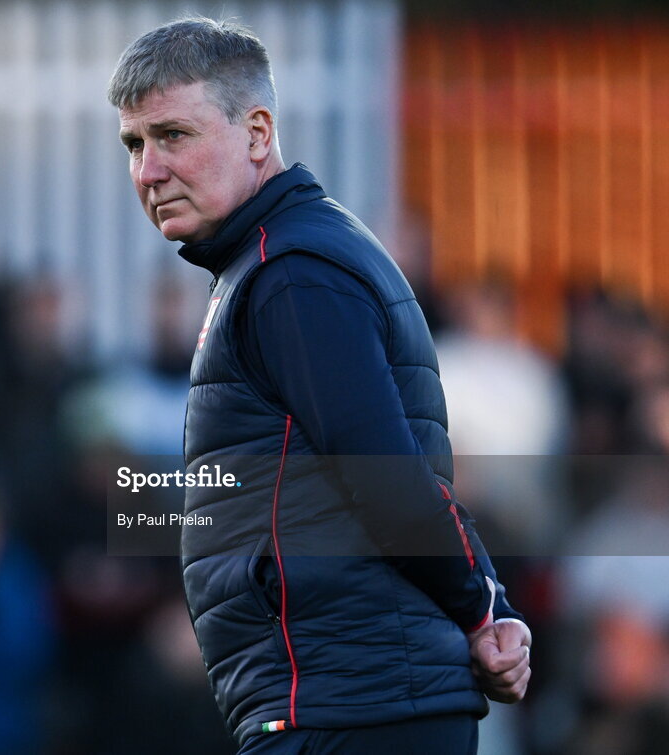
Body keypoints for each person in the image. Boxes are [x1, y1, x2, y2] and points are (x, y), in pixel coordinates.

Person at [108, 17, 531, 753]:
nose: (148, 170)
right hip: (346, 701)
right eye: (134, 144)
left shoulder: (290, 274)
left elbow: (385, 476)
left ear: (258, 134)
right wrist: (485, 603)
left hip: (347, 709)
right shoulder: (276, 261)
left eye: (173, 134)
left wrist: (481, 609)